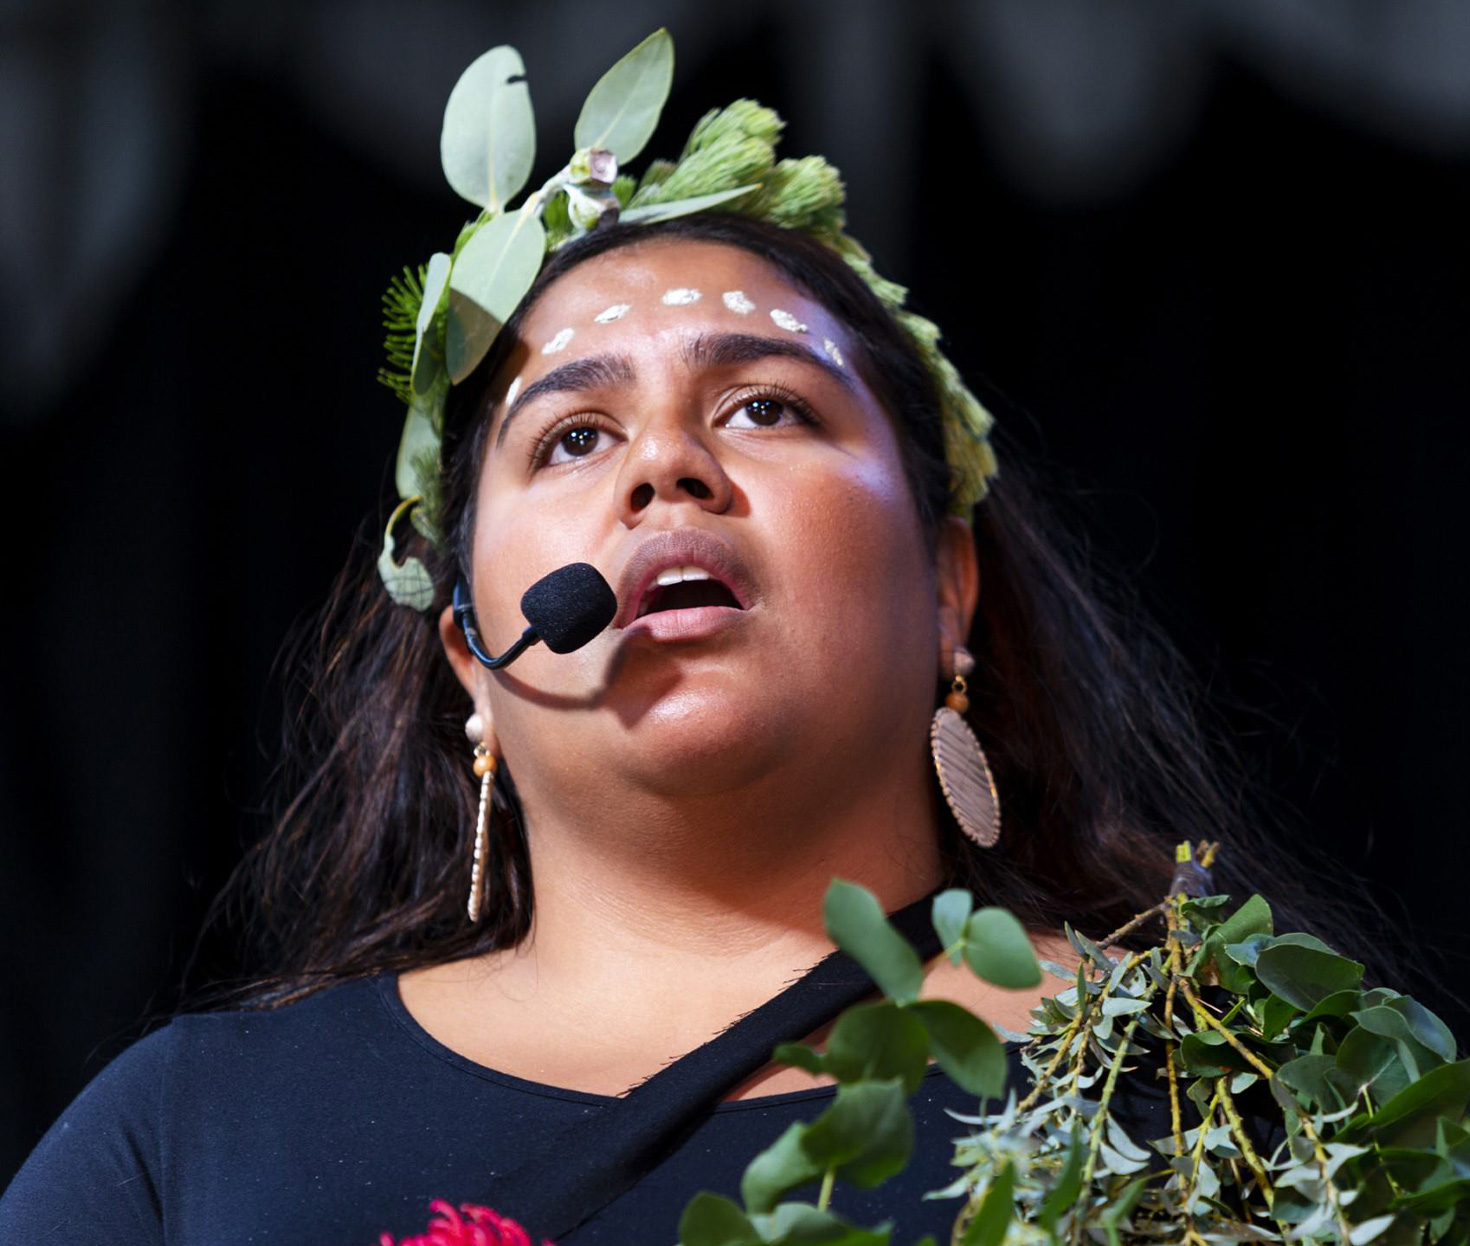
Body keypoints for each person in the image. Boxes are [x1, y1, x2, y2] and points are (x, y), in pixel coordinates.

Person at [0, 38, 1360, 1246]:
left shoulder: (1225, 1089)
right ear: (473, 656)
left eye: (767, 406)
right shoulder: (187, 1143)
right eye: (573, 438)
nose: (666, 465)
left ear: (950, 585)